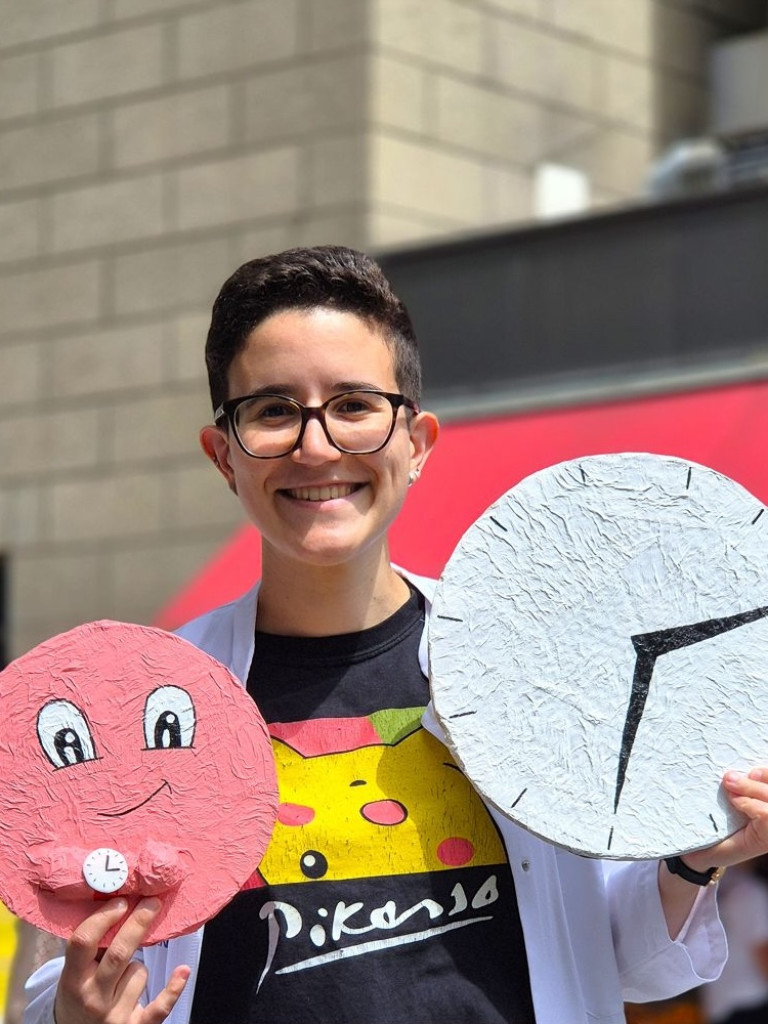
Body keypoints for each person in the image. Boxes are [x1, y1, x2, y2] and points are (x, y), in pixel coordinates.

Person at [22, 245, 768, 1024]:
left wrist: (693, 858)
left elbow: (619, 959)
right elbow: (57, 983)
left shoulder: (528, 654)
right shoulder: (149, 706)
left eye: (353, 406)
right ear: (224, 456)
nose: (316, 446)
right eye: (273, 411)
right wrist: (75, 1014)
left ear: (417, 443)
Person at [700, 859, 768, 1024]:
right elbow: (762, 951)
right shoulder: (750, 892)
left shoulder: (708, 888)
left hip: (717, 1003)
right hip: (751, 1001)